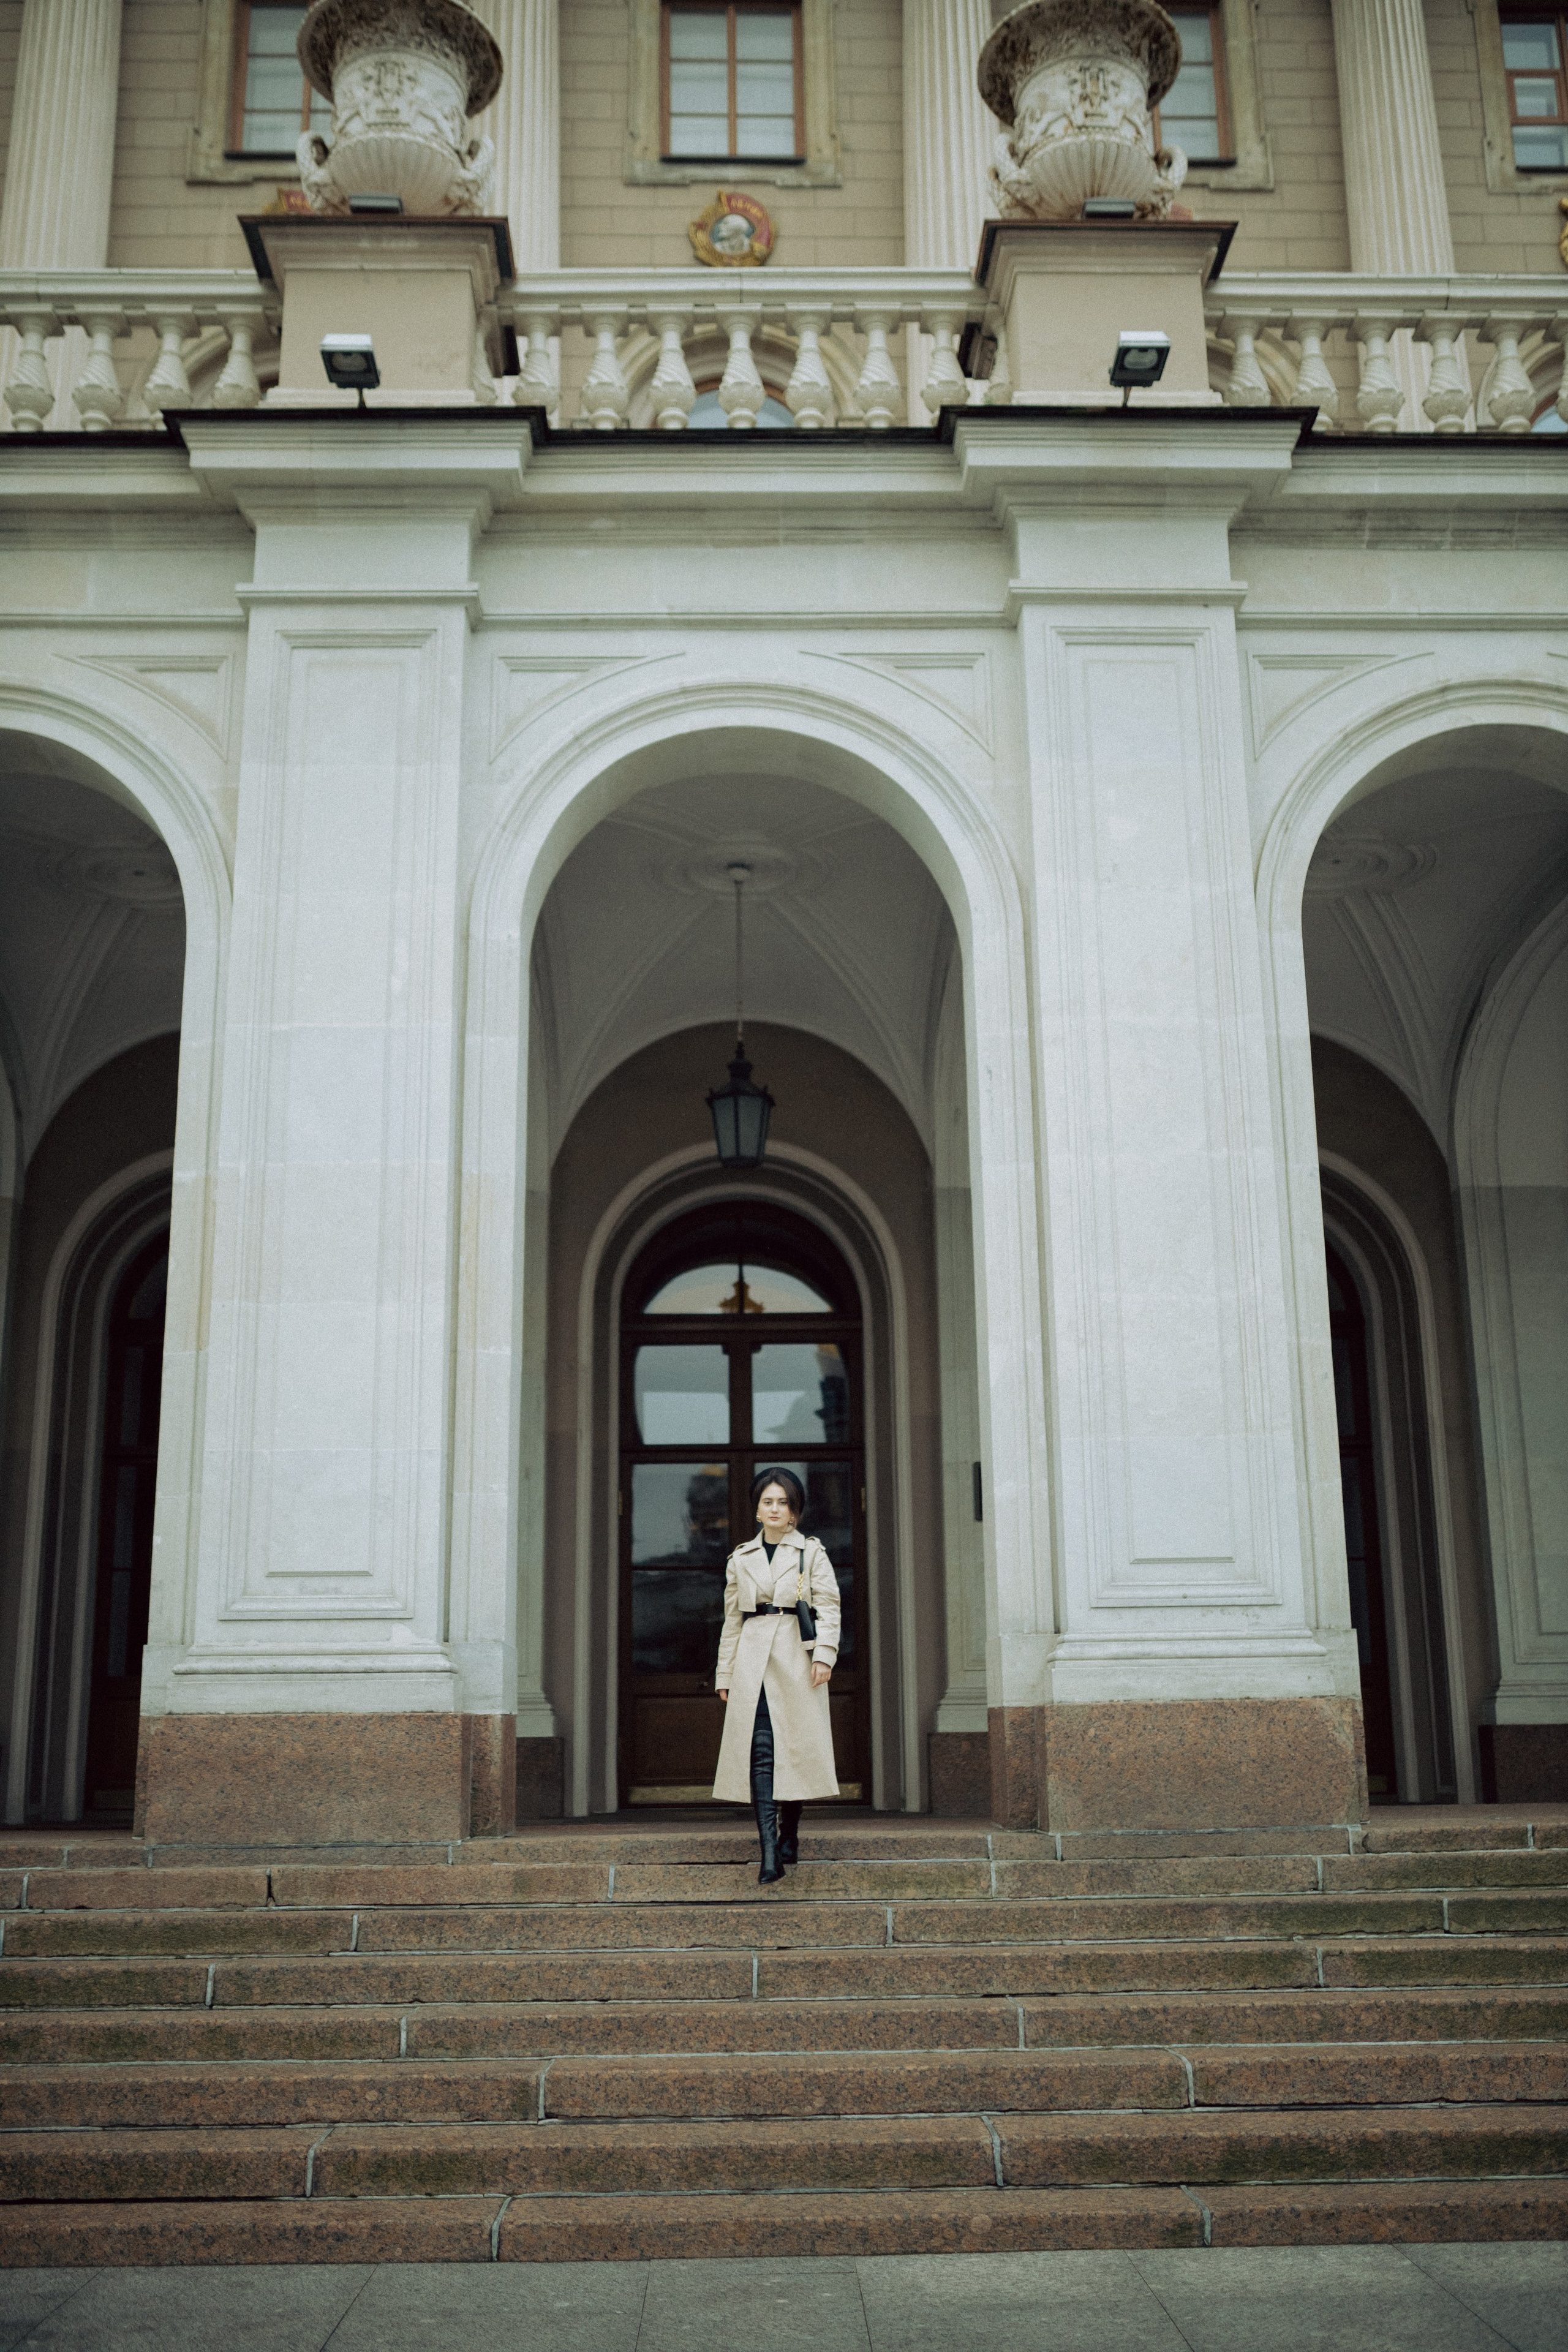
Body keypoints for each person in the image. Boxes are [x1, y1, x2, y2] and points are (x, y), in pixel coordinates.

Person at [713, 1467, 842, 1883]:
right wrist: (725, 1672)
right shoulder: (741, 1558)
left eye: (782, 1502)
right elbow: (733, 1620)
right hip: (752, 1661)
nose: (774, 1509)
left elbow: (829, 1607)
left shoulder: (811, 1552)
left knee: (793, 1748)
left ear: (794, 1510)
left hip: (796, 1657)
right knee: (762, 1751)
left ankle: (790, 1833)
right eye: (767, 1501)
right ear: (757, 1508)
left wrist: (824, 1655)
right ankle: (770, 1852)